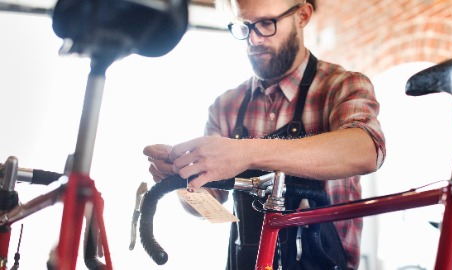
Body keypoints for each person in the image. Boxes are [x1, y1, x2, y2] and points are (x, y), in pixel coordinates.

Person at [143, 0, 386, 269]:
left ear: (302, 16)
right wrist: (180, 182)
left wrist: (244, 153)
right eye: (243, 26)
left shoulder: (342, 86)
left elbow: (366, 150)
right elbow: (208, 206)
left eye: (266, 24)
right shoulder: (226, 106)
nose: (253, 39)